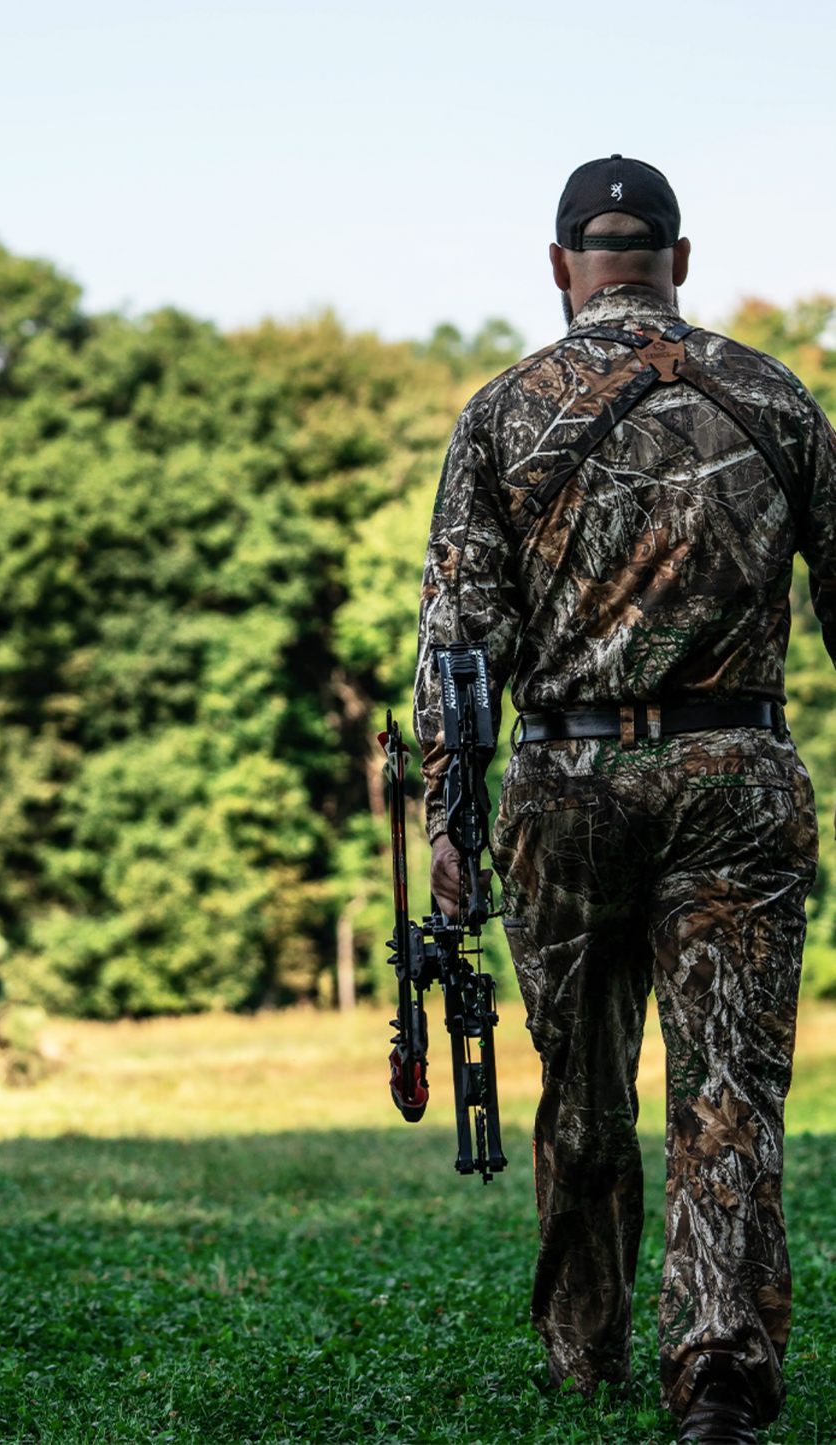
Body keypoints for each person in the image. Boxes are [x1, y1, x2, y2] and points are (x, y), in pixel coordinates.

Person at [413, 154, 836, 1444]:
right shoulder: (780, 400)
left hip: (567, 780)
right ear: (679, 262)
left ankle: (584, 1353)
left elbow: (460, 643)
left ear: (561, 268)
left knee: (584, 1088)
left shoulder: (501, 413)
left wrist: (448, 824)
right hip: (738, 777)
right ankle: (717, 1378)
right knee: (729, 1089)